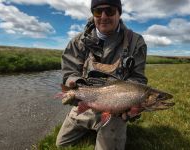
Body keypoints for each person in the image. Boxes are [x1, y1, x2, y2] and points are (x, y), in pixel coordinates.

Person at [56, 0, 148, 149]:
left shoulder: (135, 42)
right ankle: (91, 127)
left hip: (116, 110)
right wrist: (73, 82)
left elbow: (138, 78)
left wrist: (131, 100)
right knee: (61, 144)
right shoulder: (78, 41)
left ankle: (107, 129)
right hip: (88, 101)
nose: (103, 16)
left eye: (110, 11)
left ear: (119, 13)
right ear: (93, 14)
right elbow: (69, 72)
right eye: (98, 11)